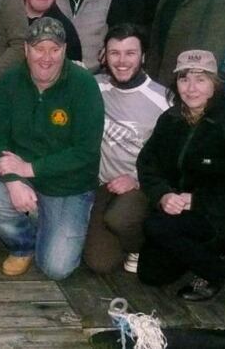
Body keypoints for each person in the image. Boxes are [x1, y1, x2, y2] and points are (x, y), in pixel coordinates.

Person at [0, 17, 104, 280]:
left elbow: (86, 151)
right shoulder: (10, 81)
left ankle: (61, 222)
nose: (46, 57)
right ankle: (23, 245)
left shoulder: (84, 85)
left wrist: (29, 168)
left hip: (69, 186)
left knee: (56, 268)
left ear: (65, 50)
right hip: (23, 180)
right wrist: (13, 180)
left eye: (54, 49)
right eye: (39, 49)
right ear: (26, 50)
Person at [137, 50, 225, 301]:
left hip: (223, 215)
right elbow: (147, 164)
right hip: (179, 213)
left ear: (215, 84)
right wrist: (163, 194)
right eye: (184, 79)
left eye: (201, 79)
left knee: (155, 226)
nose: (191, 88)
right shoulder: (170, 119)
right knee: (150, 275)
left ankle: (219, 269)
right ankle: (198, 254)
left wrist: (198, 201)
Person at [82, 23, 170, 275]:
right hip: (102, 185)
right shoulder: (93, 86)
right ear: (104, 56)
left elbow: (173, 160)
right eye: (114, 53)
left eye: (130, 53)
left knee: (119, 219)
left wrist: (138, 180)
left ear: (143, 56)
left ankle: (142, 244)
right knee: (99, 263)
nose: (121, 61)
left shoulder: (163, 100)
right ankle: (121, 236)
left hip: (141, 186)